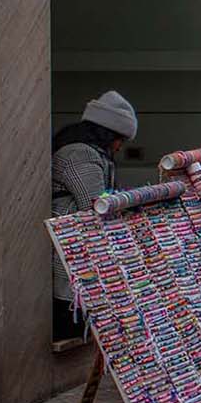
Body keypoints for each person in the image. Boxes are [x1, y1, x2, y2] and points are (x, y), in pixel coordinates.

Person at [52, 90, 138, 346]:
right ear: (107, 133)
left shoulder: (92, 154)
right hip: (71, 248)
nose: (120, 147)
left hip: (76, 246)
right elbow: (95, 205)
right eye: (120, 139)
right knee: (70, 305)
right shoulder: (80, 155)